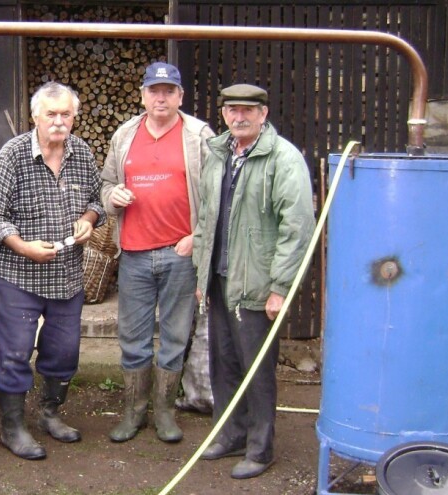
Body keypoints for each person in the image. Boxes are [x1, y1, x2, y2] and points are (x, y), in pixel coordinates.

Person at [193, 83, 314, 479]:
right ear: (224, 114)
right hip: (220, 279)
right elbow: (208, 216)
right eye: (232, 110)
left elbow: (296, 227)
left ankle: (261, 450)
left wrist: (280, 286)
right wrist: (201, 273)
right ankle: (231, 434)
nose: (239, 117)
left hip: (257, 285)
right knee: (224, 364)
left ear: (263, 114)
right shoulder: (219, 153)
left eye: (248, 110)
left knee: (256, 370)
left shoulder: (283, 158)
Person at [0, 81, 105, 460]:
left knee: (63, 351)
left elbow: (97, 199)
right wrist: (23, 246)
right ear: (34, 116)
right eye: (50, 114)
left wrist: (88, 219)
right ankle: (13, 427)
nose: (58, 121)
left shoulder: (82, 152)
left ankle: (50, 414)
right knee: (13, 353)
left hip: (68, 276)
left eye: (65, 114)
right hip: (18, 276)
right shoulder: (13, 154)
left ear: (74, 116)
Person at [101, 61, 214, 444]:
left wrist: (197, 236)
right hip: (133, 253)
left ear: (180, 96)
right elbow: (106, 184)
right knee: (132, 337)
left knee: (174, 336)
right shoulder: (125, 134)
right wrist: (112, 197)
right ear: (144, 95)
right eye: (154, 90)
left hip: (179, 253)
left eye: (169, 91)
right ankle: (134, 412)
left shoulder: (199, 135)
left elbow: (216, 195)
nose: (161, 97)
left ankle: (165, 412)